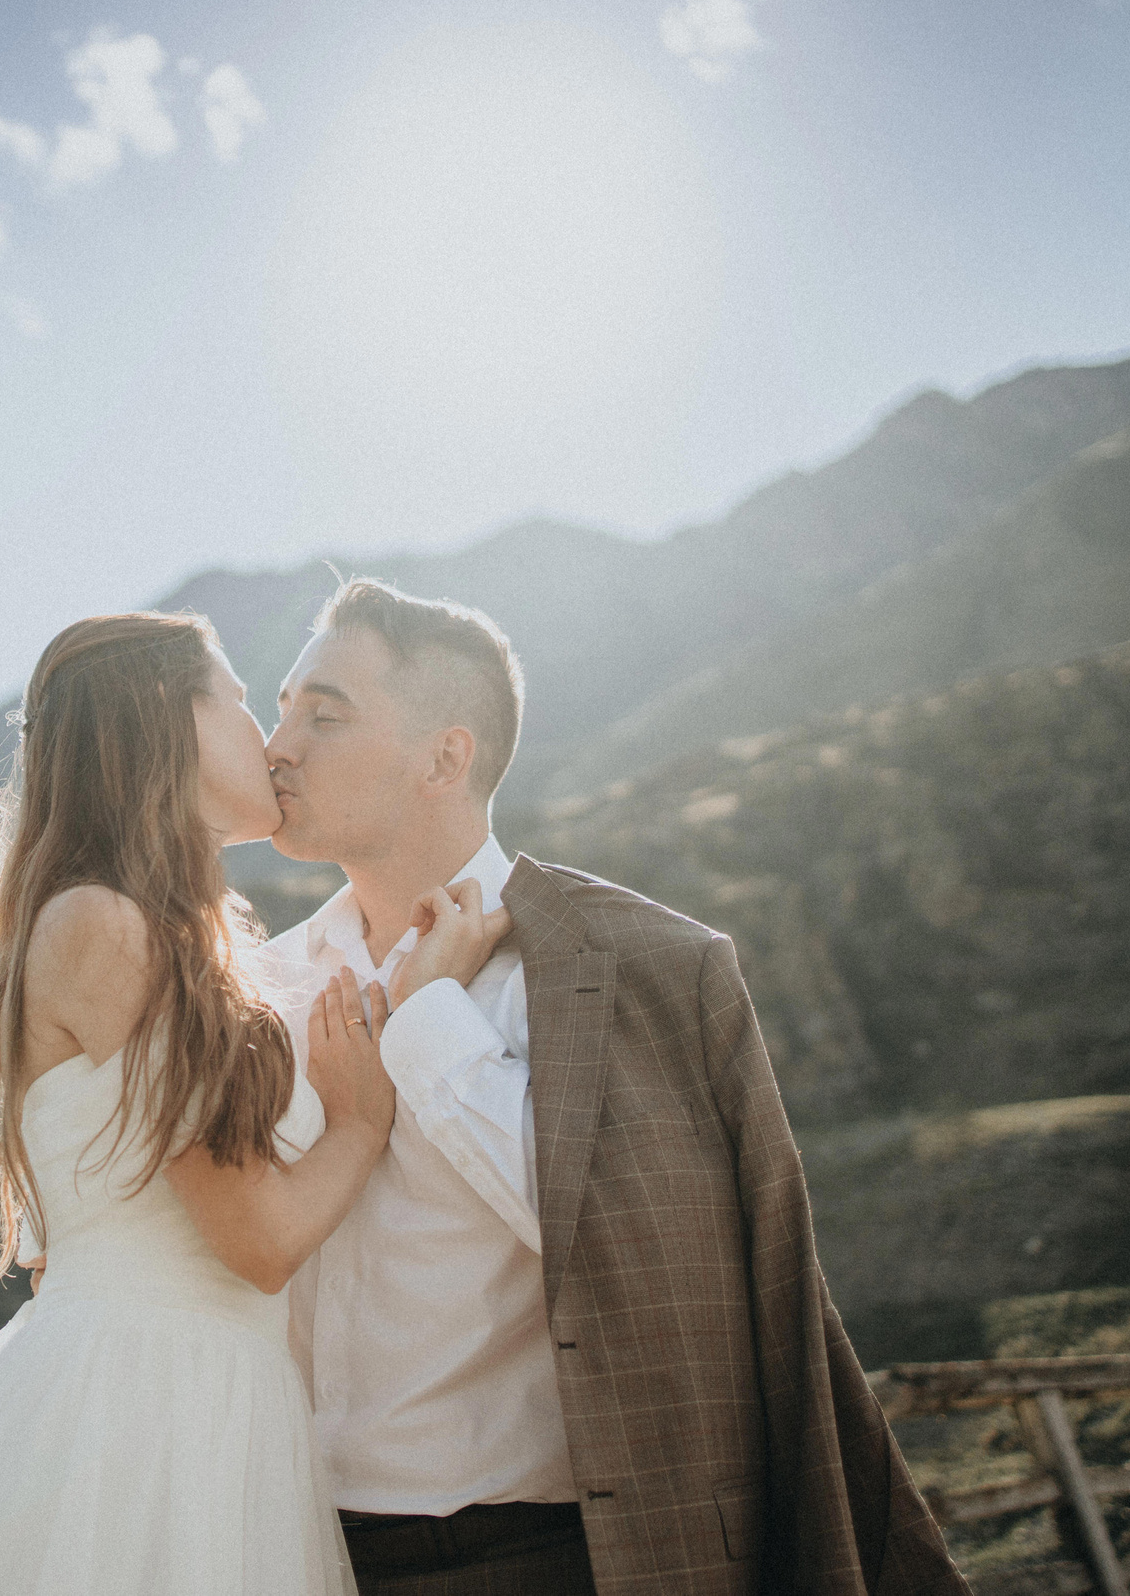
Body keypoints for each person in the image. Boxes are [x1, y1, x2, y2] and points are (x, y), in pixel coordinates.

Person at [261, 577, 971, 1596]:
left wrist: (427, 1025)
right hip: (295, 1553)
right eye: (280, 707)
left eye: (323, 715)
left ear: (444, 757)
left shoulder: (648, 963)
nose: (277, 744)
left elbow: (625, 1236)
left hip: (547, 1559)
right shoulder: (261, 984)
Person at [0, 610, 510, 1596]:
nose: (271, 740)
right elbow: (256, 1242)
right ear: (168, 723)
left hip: (204, 1397)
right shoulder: (105, 925)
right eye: (246, 702)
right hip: (145, 1409)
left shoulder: (194, 939)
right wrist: (361, 1119)